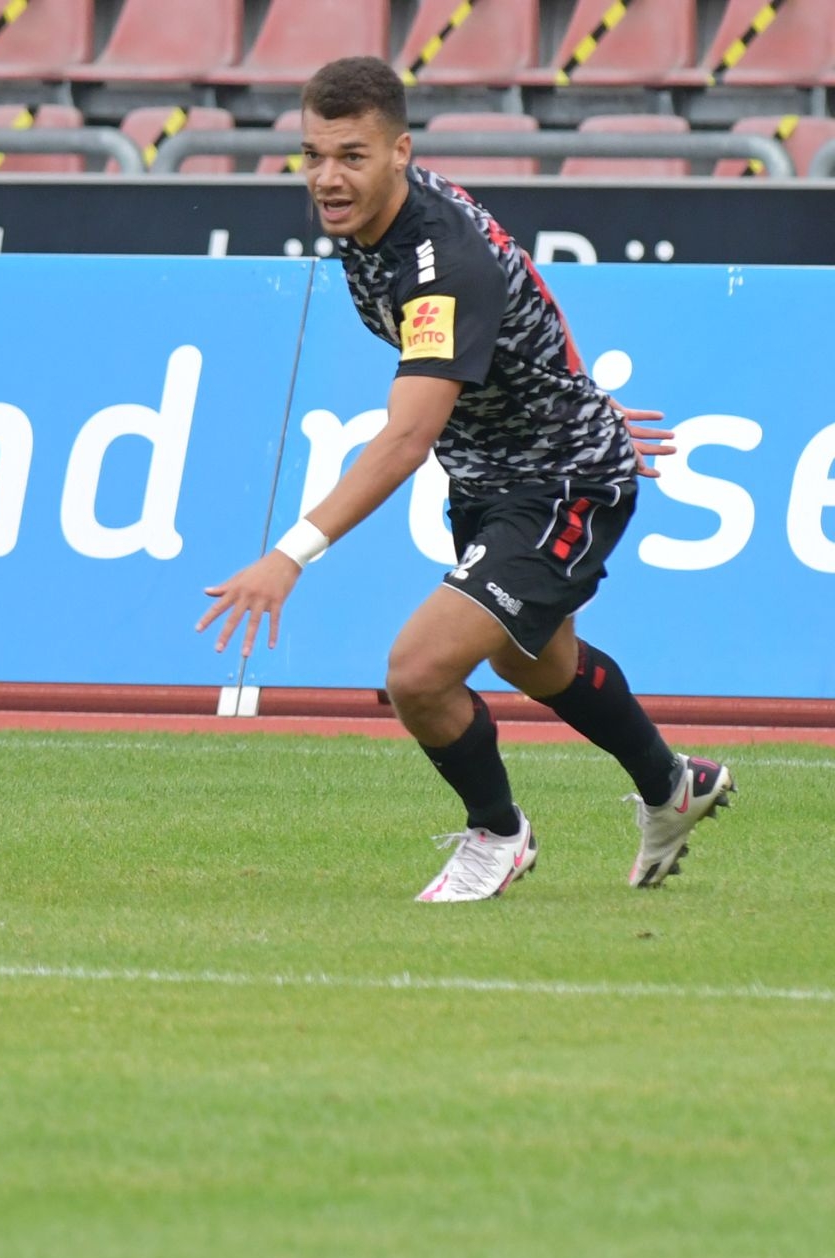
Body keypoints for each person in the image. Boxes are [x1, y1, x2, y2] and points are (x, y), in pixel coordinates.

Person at [197, 58, 734, 903]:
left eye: (351, 155)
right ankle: (675, 785)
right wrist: (575, 393)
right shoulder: (374, 221)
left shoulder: (438, 258)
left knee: (418, 672)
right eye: (311, 155)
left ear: (401, 151)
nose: (326, 179)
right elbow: (527, 303)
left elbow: (407, 437)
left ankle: (498, 833)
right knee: (536, 665)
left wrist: (290, 556)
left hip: (564, 480)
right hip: (491, 474)